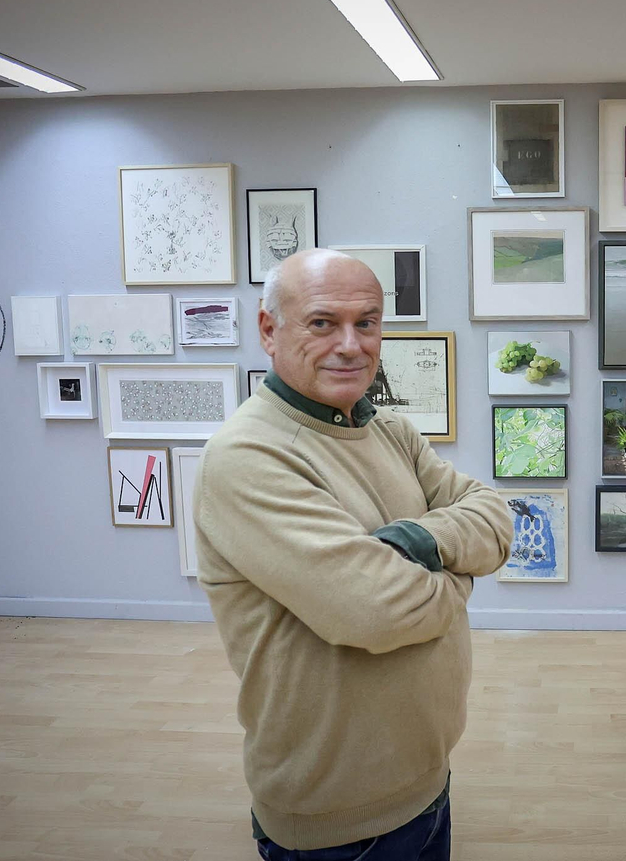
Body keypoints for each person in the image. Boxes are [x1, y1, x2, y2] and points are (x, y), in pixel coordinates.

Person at [195, 250, 513, 861]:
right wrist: (462, 570)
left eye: (366, 322)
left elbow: (495, 518)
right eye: (322, 323)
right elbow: (376, 611)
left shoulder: (390, 431)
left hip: (425, 779)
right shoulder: (247, 457)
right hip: (338, 818)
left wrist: (421, 542)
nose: (350, 344)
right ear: (269, 330)